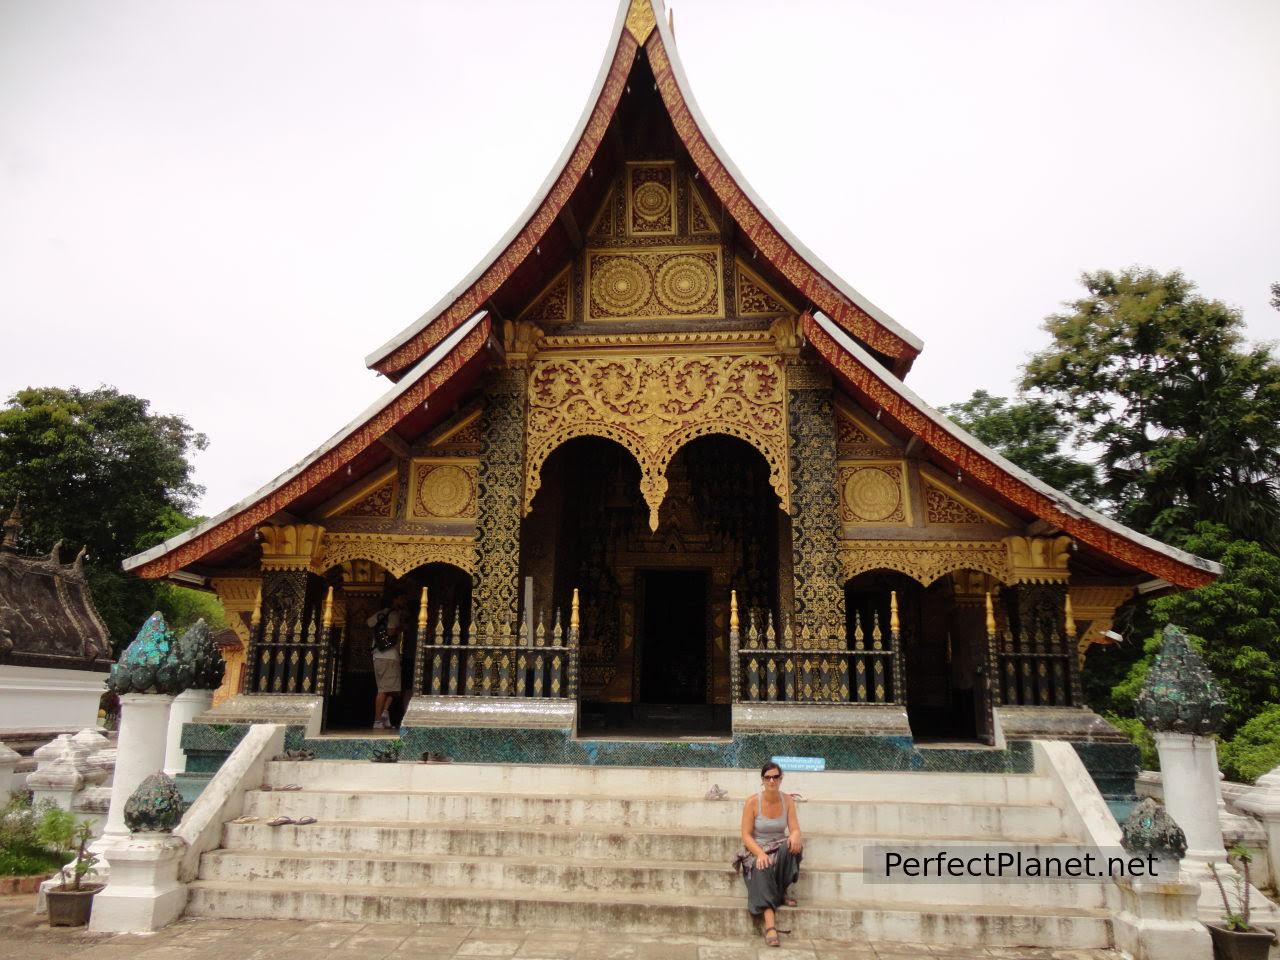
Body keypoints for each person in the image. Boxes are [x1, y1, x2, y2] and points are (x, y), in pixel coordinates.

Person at [738, 761, 803, 948]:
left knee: (793, 845)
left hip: (779, 847)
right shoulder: (752, 802)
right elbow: (745, 836)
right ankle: (770, 925)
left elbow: (795, 828)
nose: (772, 781)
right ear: (762, 780)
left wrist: (796, 835)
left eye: (775, 777)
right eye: (768, 777)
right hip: (757, 849)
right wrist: (760, 853)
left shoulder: (788, 801)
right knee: (762, 864)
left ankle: (780, 892)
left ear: (780, 779)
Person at [367, 593, 408, 729]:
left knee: (394, 689)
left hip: (378, 655)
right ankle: (377, 720)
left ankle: (384, 714)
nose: (403, 600)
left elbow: (368, 622)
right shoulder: (394, 614)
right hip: (388, 656)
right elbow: (391, 632)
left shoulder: (381, 613)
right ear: (395, 600)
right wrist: (401, 628)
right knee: (384, 689)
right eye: (401, 597)